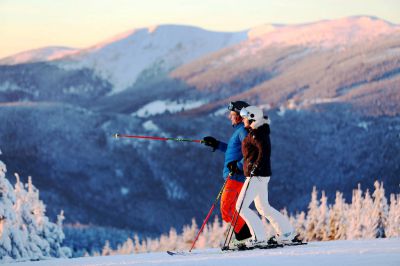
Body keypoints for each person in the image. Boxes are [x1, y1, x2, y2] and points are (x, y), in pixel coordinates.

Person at [234, 105, 296, 248]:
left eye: (244, 117)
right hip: (259, 175)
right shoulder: (257, 131)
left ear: (252, 118)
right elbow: (253, 154)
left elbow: (265, 152)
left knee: (241, 206)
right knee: (263, 207)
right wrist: (239, 167)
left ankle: (258, 238)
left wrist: (255, 167)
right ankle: (287, 233)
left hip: (256, 176)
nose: (242, 120)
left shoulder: (257, 134)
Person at [202, 101, 252, 242]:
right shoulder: (239, 131)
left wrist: (239, 165)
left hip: (236, 177)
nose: (230, 117)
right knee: (231, 209)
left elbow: (250, 153)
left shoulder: (243, 131)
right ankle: (243, 237)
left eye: (232, 114)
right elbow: (233, 151)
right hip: (234, 176)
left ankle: (245, 238)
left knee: (227, 209)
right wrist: (217, 144)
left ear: (241, 116)